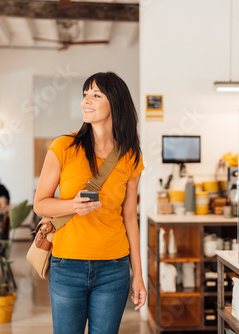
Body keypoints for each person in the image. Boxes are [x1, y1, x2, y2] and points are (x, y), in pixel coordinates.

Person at [33, 72, 146, 334]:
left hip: (114, 267)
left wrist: (138, 275)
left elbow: (130, 218)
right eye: (85, 95)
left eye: (96, 95)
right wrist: (73, 205)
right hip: (67, 265)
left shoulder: (130, 156)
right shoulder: (64, 147)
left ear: (115, 103)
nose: (87, 101)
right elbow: (40, 205)